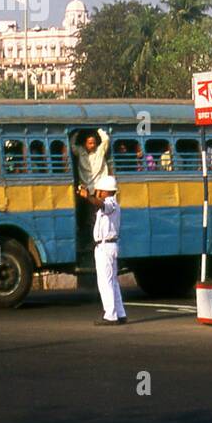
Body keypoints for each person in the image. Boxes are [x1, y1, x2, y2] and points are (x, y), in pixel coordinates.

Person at [86, 175, 126, 326]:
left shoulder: (110, 204)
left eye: (99, 190)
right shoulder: (112, 204)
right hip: (108, 246)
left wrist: (87, 196)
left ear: (105, 192)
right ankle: (120, 313)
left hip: (105, 247)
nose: (97, 192)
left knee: (105, 282)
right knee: (113, 281)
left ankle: (110, 315)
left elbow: (100, 204)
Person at [72, 128, 111, 197]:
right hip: (86, 187)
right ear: (85, 144)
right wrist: (76, 132)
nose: (92, 145)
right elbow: (72, 144)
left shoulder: (100, 151)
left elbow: (106, 139)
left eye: (94, 143)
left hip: (99, 188)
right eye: (90, 143)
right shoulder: (80, 151)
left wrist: (98, 129)